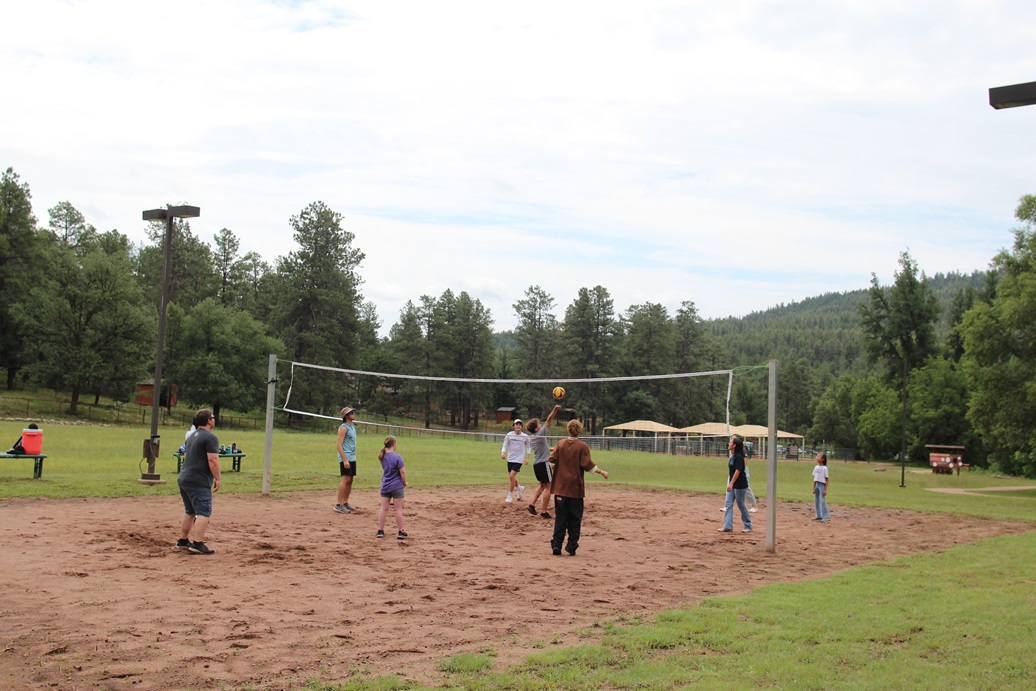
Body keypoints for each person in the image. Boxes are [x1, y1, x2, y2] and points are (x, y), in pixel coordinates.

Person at [548, 419, 608, 556]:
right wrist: (602, 472)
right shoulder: (582, 446)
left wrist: (557, 472)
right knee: (575, 519)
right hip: (575, 490)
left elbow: (551, 461)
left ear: (568, 430)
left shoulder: (560, 444)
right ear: (580, 431)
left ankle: (557, 544)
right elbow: (588, 465)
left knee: (560, 518)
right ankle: (571, 546)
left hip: (560, 489)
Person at [176, 409, 221, 555]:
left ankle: (183, 541)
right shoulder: (210, 438)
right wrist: (218, 478)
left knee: (190, 510)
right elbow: (213, 460)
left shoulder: (191, 436)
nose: (214, 419)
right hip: (198, 480)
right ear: (209, 420)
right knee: (204, 511)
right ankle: (197, 543)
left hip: (184, 477)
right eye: (213, 417)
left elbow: (188, 456)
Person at [526, 405, 562, 519]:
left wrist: (553, 449)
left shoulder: (532, 438)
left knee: (542, 485)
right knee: (549, 487)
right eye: (539, 425)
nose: (541, 426)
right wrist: (555, 409)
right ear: (536, 429)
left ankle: (532, 505)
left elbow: (543, 448)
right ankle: (544, 511)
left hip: (536, 464)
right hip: (543, 463)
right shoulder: (540, 433)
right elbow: (549, 420)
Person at [376, 435, 408, 539]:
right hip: (396, 485)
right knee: (398, 509)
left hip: (385, 485)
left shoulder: (382, 456)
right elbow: (402, 472)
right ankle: (400, 531)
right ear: (394, 444)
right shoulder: (397, 457)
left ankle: (380, 530)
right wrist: (404, 483)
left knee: (384, 508)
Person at [719, 436, 752, 533]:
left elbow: (738, 471)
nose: (728, 444)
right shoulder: (733, 456)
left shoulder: (738, 457)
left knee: (741, 504)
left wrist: (731, 483)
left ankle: (748, 525)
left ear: (734, 445)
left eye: (730, 442)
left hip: (740, 484)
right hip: (733, 483)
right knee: (728, 503)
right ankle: (728, 526)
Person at [500, 418, 530, 503]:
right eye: (517, 424)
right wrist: (503, 453)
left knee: (511, 476)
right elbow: (505, 445)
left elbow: (528, 447)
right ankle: (520, 488)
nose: (518, 426)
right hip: (510, 458)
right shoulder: (509, 435)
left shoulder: (525, 437)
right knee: (511, 477)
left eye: (520, 424)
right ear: (513, 426)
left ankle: (510, 496)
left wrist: (527, 458)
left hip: (519, 459)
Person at [334, 407, 358, 513]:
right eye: (351, 413)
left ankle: (345, 502)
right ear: (346, 415)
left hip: (352, 457)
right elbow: (338, 445)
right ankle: (339, 504)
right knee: (345, 480)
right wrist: (344, 460)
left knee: (350, 481)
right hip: (346, 457)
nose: (354, 414)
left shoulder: (352, 427)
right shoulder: (343, 428)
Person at [812, 452, 830, 522]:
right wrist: (813, 488)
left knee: (822, 500)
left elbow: (827, 479)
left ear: (823, 459)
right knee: (816, 500)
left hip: (822, 484)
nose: (817, 458)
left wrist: (825, 489)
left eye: (819, 457)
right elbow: (815, 479)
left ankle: (826, 517)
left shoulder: (825, 468)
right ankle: (819, 516)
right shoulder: (816, 467)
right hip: (817, 484)